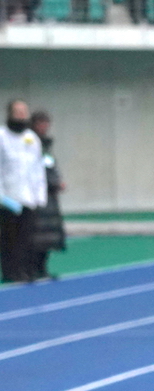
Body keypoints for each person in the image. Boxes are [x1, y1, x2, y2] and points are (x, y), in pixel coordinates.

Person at [0, 100, 48, 284]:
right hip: (8, 198)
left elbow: (37, 169)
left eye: (24, 111)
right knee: (9, 238)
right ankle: (11, 272)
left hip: (29, 197)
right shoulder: (2, 136)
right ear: (10, 113)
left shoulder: (32, 138)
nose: (21, 115)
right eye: (17, 111)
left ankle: (26, 270)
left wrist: (39, 196)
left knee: (27, 238)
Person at [28, 111, 65, 281]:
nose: (44, 127)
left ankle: (42, 268)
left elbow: (50, 166)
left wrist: (57, 182)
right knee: (36, 235)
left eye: (46, 123)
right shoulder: (30, 143)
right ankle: (33, 269)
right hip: (37, 195)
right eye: (41, 123)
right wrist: (51, 183)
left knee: (48, 236)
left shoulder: (47, 145)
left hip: (50, 196)